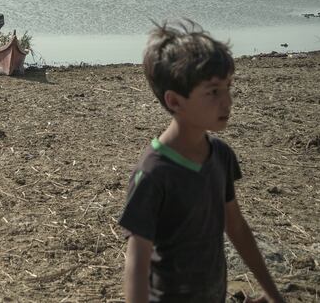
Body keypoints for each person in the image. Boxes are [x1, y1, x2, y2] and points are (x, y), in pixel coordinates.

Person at [119, 20, 284, 302]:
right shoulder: (154, 174)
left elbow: (237, 228)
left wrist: (273, 294)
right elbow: (137, 262)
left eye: (228, 87)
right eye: (213, 91)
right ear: (175, 101)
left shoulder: (220, 155)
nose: (228, 101)